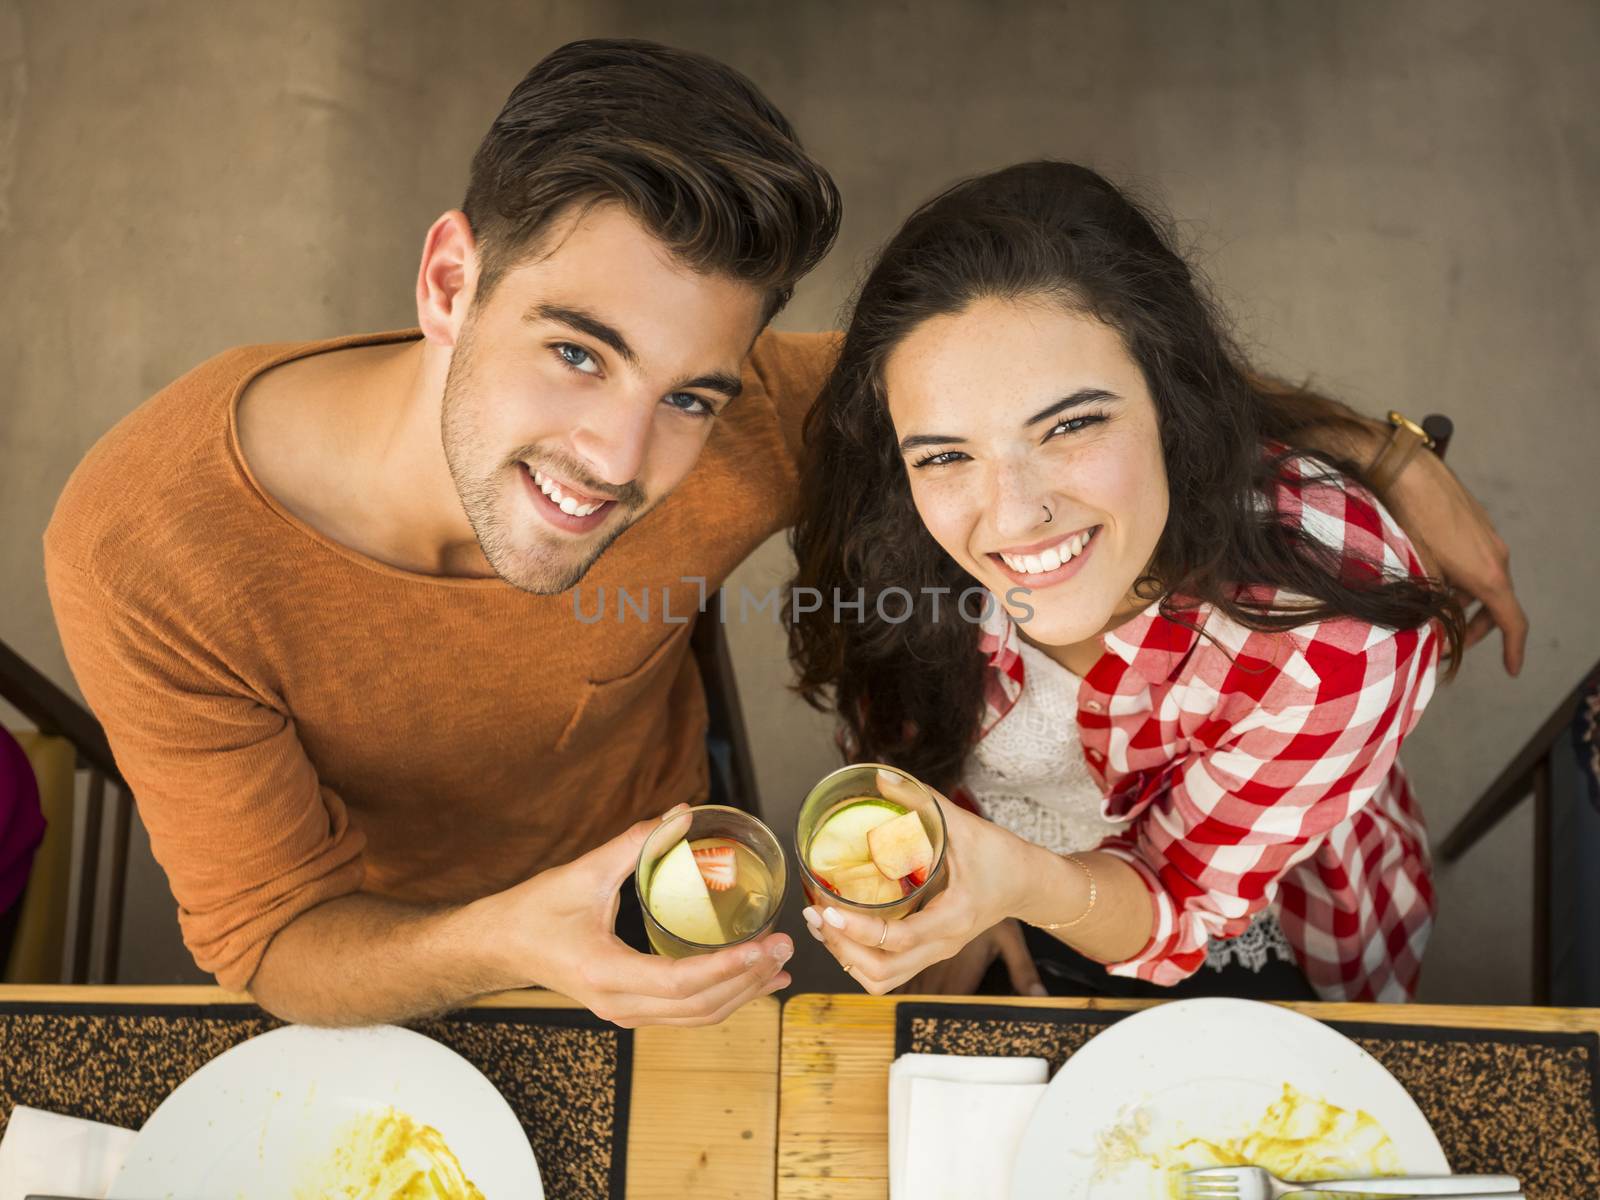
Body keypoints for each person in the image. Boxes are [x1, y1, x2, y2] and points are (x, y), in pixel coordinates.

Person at [45, 41, 1520, 1028]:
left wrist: (1370, 442)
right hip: (381, 951)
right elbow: (271, 942)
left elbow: (1034, 378)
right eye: (574, 351)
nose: (622, 463)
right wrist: (505, 941)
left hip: (686, 884)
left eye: (689, 388)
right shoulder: (147, 545)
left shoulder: (762, 415)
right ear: (450, 277)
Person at [787, 161, 1473, 1002]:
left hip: (1251, 912)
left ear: (1172, 394)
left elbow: (1181, 906)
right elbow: (897, 731)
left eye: (1070, 425)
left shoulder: (1328, 627)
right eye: (946, 454)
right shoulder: (894, 518)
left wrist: (1020, 884)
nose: (1011, 518)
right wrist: (973, 881)